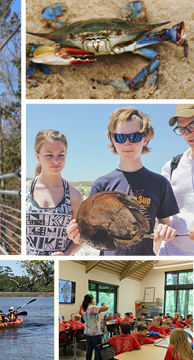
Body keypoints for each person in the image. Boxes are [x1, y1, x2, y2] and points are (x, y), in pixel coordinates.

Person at [67, 106, 179, 255]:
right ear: (113, 140)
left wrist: (166, 231)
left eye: (134, 137)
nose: (127, 144)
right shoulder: (102, 185)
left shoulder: (160, 183)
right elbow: (92, 234)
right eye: (120, 137)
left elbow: (165, 226)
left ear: (145, 139)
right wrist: (77, 237)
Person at [26, 130, 84, 255]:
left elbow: (81, 238)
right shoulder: (25, 191)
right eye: (49, 155)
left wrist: (66, 255)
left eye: (61, 155)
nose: (56, 160)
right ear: (38, 156)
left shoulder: (75, 196)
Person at [160, 104, 194, 255]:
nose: (188, 134)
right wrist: (162, 228)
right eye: (182, 129)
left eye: (192, 125)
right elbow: (163, 216)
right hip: (171, 253)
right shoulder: (171, 167)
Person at [82, 294, 109, 360]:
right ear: (91, 300)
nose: (94, 300)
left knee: (89, 350)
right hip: (95, 333)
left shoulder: (84, 310)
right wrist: (104, 303)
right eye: (93, 299)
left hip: (87, 332)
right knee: (97, 350)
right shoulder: (93, 308)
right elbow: (106, 308)